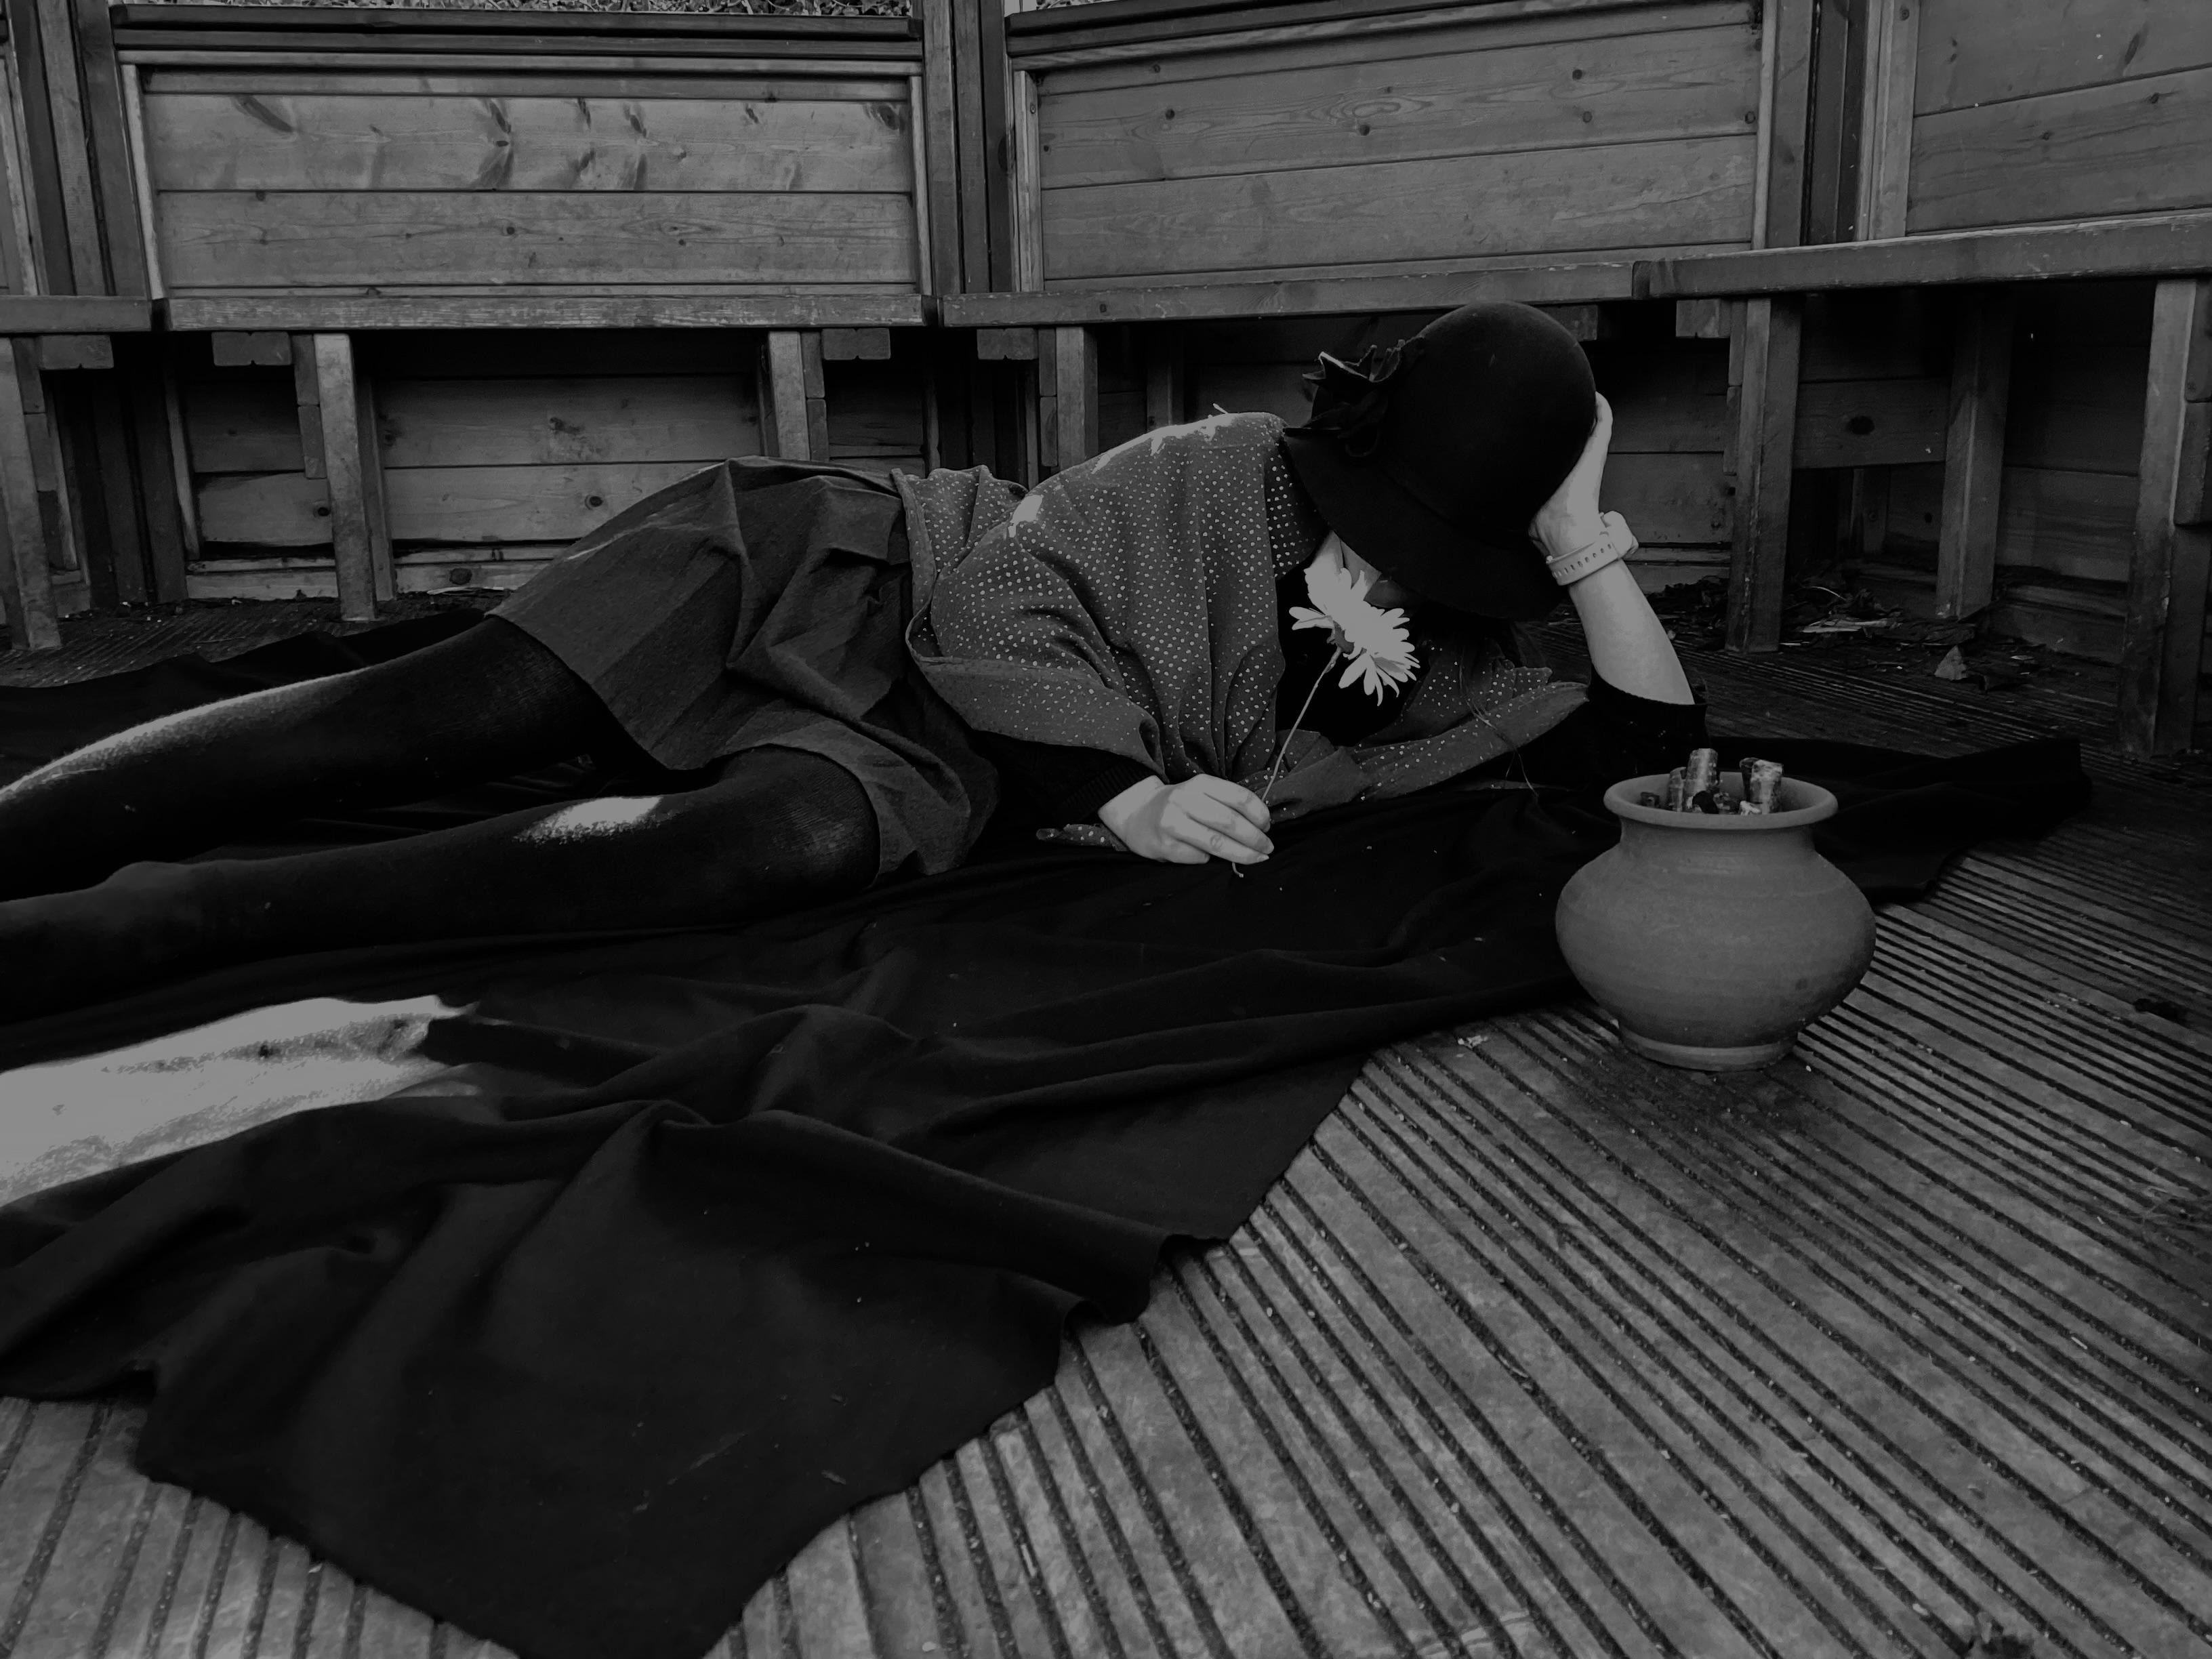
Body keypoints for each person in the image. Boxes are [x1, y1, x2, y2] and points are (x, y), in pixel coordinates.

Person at [0, 302, 1699, 1016]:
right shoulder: (1218, 463)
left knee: (777, 845)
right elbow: (1003, 598)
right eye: (1383, 519)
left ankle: (152, 928)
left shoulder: (1465, 667)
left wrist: (1580, 535)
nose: (1386, 562)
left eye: (1438, 548)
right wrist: (1127, 799)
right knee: (430, 717)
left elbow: (1652, 757)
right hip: (862, 569)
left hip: (946, 745)